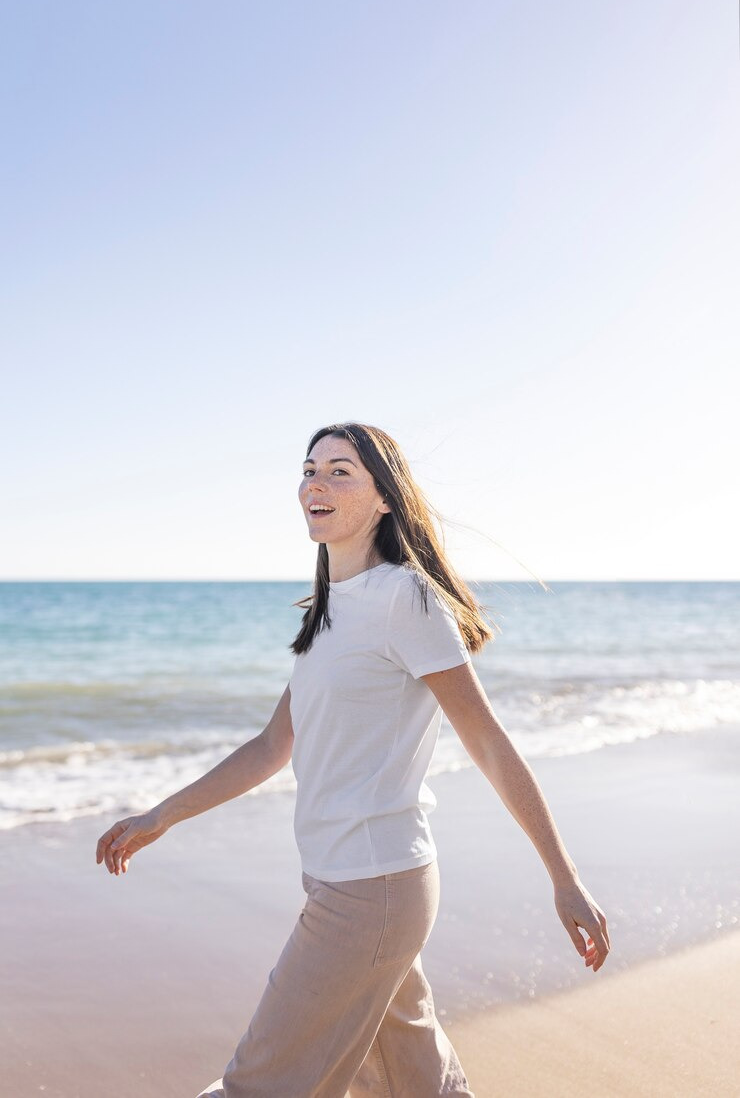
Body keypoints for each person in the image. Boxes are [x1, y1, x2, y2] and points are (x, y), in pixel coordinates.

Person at [96, 421, 610, 1097]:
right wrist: (162, 815)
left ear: (385, 499)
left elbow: (487, 739)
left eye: (342, 470)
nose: (317, 482)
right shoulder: (329, 613)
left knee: (258, 1083)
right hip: (357, 884)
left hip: (372, 891)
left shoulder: (407, 598)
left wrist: (563, 877)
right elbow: (273, 746)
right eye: (310, 469)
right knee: (416, 1081)